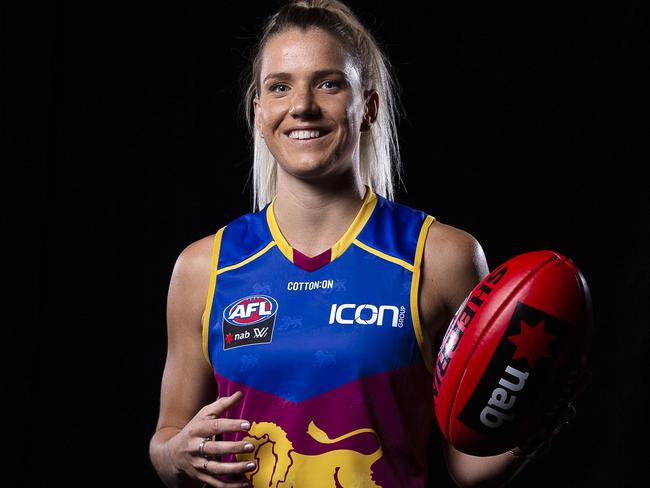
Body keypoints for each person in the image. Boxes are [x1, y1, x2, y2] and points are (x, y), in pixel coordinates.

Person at [148, 1, 585, 487]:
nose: (302, 106)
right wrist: (176, 455)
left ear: (369, 107)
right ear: (259, 111)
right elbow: (167, 437)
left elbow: (466, 464)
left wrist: (532, 425)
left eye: (329, 83)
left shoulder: (439, 257)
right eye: (279, 86)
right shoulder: (204, 267)